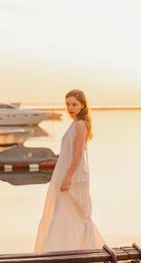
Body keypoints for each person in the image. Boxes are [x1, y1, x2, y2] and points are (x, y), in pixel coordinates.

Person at [34, 89, 104, 253]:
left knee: (71, 215)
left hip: (74, 176)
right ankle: (65, 250)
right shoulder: (74, 123)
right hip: (67, 173)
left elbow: (78, 154)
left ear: (82, 105)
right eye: (68, 104)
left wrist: (67, 178)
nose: (70, 107)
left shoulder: (80, 124)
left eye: (74, 104)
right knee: (63, 213)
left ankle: (69, 250)